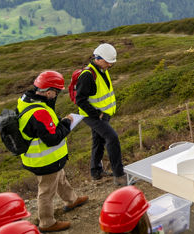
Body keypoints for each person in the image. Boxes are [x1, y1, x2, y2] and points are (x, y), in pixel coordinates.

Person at [18, 71, 88, 232]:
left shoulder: (27, 101)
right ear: (49, 92)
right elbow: (53, 139)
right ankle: (47, 223)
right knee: (46, 191)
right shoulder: (40, 112)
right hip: (44, 160)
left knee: (60, 177)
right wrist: (66, 123)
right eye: (56, 92)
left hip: (43, 158)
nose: (57, 95)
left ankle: (71, 200)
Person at [75, 43, 126, 185]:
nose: (110, 65)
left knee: (98, 141)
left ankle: (96, 171)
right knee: (112, 138)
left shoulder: (102, 70)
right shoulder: (87, 75)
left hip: (103, 114)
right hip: (92, 115)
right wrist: (97, 114)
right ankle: (119, 175)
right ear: (98, 58)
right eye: (108, 62)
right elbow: (80, 100)